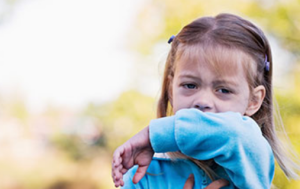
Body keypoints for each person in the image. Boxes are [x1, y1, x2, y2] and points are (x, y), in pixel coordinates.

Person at [111, 13, 299, 189]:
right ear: (171, 89)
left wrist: (155, 135)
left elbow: (234, 132)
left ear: (253, 101)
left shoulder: (250, 156)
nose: (202, 101)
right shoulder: (144, 175)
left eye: (224, 90)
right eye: (190, 85)